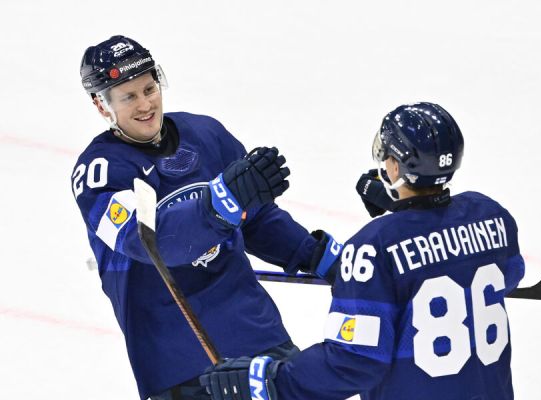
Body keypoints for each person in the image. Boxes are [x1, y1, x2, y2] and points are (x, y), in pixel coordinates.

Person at [71, 35, 340, 400]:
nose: (145, 105)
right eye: (128, 97)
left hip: (255, 332)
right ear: (101, 104)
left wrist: (318, 256)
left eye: (149, 89)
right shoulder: (99, 172)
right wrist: (219, 203)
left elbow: (257, 220)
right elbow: (149, 242)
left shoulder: (205, 134)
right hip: (177, 362)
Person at [199, 102, 526, 400]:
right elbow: (508, 275)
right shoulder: (491, 215)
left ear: (395, 167)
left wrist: (271, 380)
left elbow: (354, 362)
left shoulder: (372, 247)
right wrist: (411, 214)